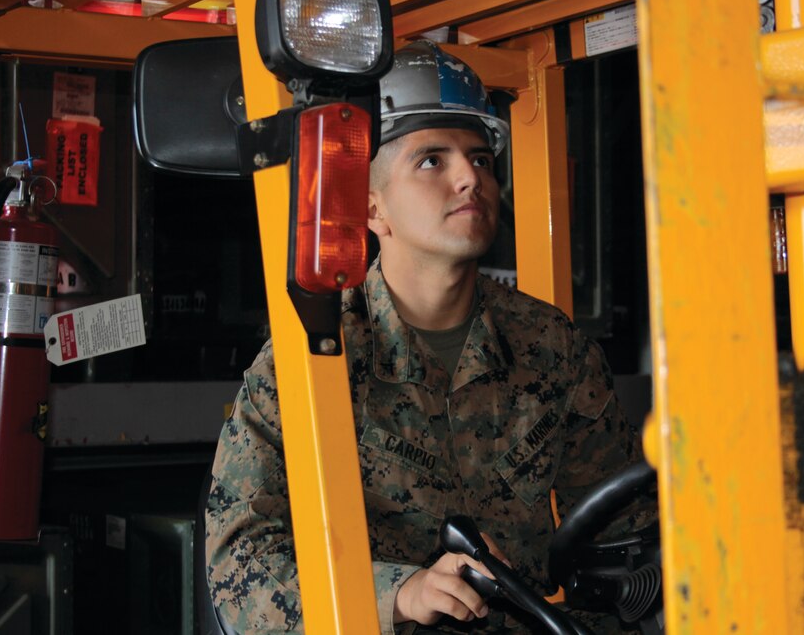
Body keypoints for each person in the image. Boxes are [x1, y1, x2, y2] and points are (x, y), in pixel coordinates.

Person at [206, 40, 653, 634]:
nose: (471, 177)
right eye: (432, 161)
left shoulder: (552, 348)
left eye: (481, 159)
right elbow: (240, 567)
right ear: (371, 207)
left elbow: (623, 542)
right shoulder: (312, 358)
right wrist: (400, 592)